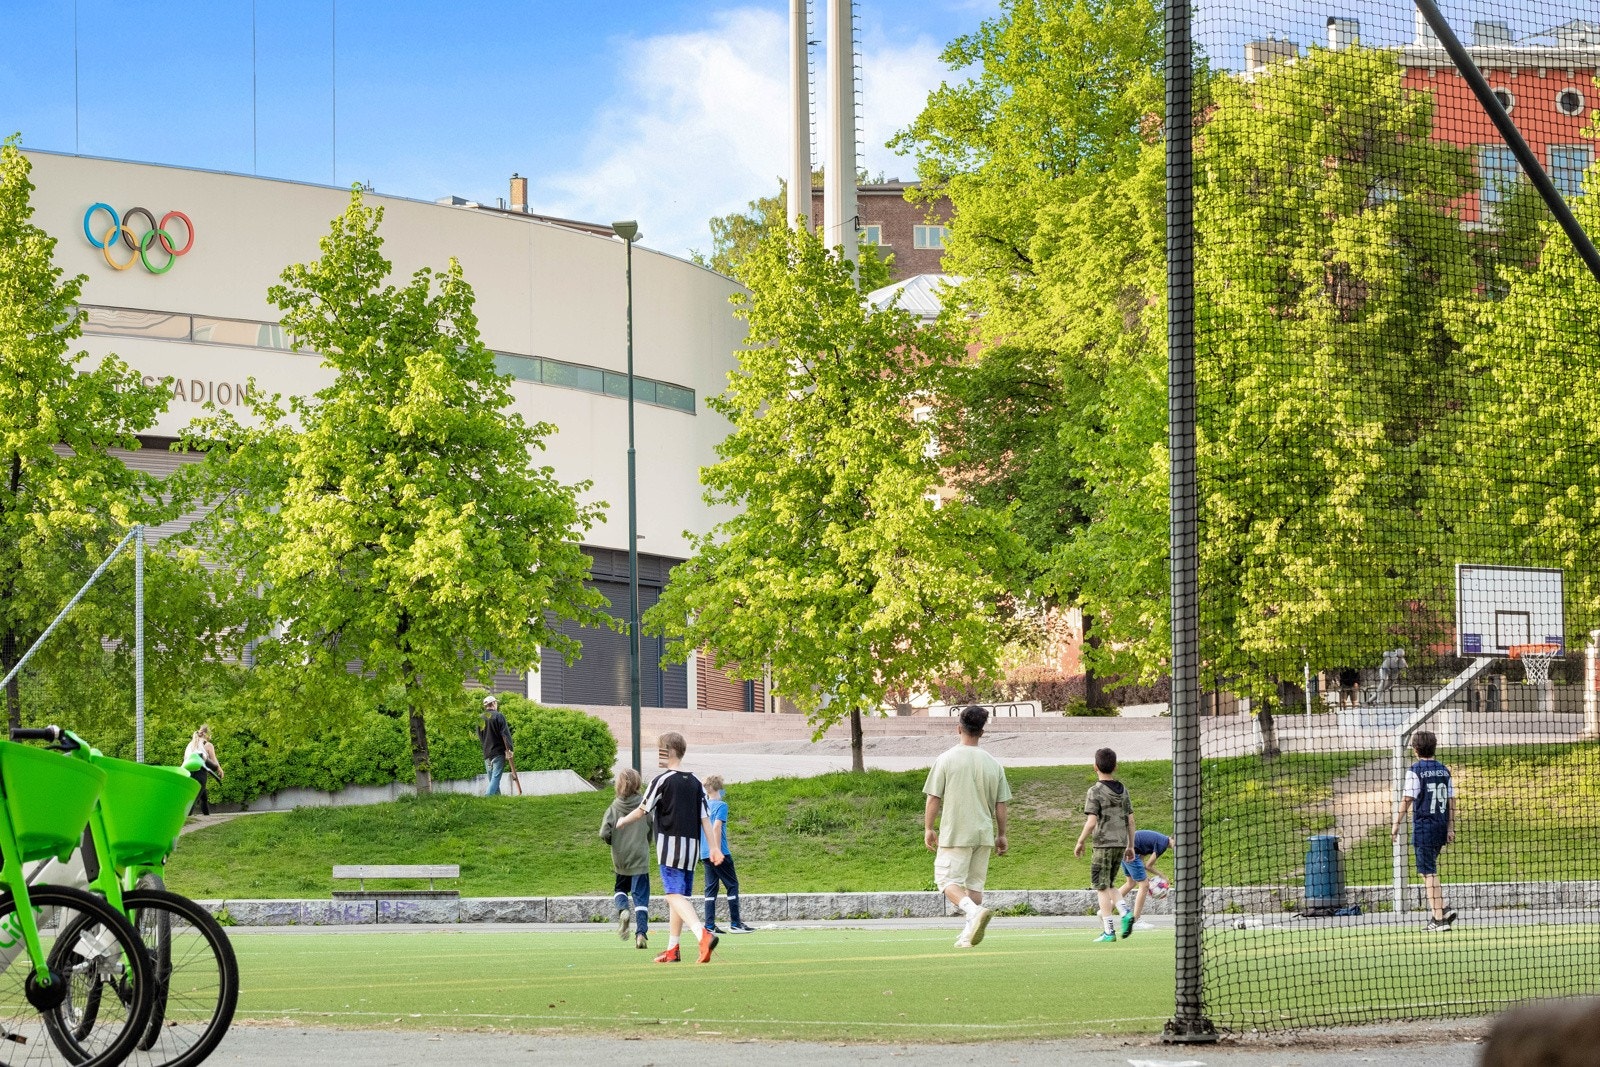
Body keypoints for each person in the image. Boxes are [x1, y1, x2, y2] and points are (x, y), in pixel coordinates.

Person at [614, 732, 724, 964]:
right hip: (691, 850)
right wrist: (714, 848)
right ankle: (672, 949)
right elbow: (705, 818)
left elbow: (643, 809)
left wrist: (623, 821)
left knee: (673, 895)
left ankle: (702, 935)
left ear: (668, 751)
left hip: (670, 848)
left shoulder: (661, 780)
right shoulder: (696, 782)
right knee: (678, 897)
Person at [923, 705, 1012, 949]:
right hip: (983, 833)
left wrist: (929, 828)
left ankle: (973, 913)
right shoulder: (994, 764)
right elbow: (1001, 803)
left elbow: (933, 797)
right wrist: (1002, 834)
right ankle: (967, 935)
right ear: (982, 732)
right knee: (974, 885)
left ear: (958, 727)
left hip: (956, 831)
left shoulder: (946, 759)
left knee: (945, 880)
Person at [1391, 728, 1456, 932]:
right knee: (1426, 869)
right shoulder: (1444, 770)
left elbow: (1407, 799)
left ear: (1415, 749)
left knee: (1428, 872)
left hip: (1424, 827)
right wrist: (1450, 827)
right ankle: (1442, 908)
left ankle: (1438, 920)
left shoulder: (1415, 770)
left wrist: (1395, 823)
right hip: (1440, 825)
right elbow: (1451, 800)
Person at [1075, 747, 1136, 942]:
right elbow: (1131, 820)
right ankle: (1125, 911)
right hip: (1120, 843)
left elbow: (1092, 821)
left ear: (1095, 767)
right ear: (1115, 767)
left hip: (1102, 844)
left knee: (1101, 887)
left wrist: (1080, 840)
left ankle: (1109, 931)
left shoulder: (1095, 791)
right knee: (1109, 884)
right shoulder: (1124, 790)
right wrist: (1131, 845)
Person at [599, 767, 653, 949]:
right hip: (640, 857)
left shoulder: (614, 808)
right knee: (641, 897)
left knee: (620, 888)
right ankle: (641, 934)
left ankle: (623, 909)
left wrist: (612, 841)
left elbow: (603, 832)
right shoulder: (644, 806)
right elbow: (650, 828)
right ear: (638, 784)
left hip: (621, 857)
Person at [699, 776, 754, 934]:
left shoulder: (703, 807)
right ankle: (735, 923)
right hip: (719, 852)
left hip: (704, 853)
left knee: (711, 889)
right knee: (732, 885)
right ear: (718, 788)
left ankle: (709, 925)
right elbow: (716, 827)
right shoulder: (721, 806)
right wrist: (715, 849)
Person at [1115, 829, 1173, 933]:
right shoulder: (1162, 844)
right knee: (1144, 886)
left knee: (1131, 883)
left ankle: (1105, 910)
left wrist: (1144, 876)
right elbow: (1148, 865)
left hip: (1124, 850)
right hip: (1129, 852)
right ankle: (1136, 921)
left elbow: (1141, 854)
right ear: (1173, 839)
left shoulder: (1160, 840)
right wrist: (1163, 877)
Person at [476, 695, 514, 796]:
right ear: (493, 704)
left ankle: (497, 799)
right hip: (498, 752)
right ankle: (487, 798)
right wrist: (509, 749)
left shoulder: (480, 718)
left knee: (492, 779)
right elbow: (505, 734)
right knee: (495, 778)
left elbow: (480, 736)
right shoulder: (499, 716)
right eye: (496, 703)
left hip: (487, 753)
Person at [184, 725, 224, 816]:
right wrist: (220, 770)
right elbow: (214, 761)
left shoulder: (191, 744)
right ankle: (185, 819)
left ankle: (206, 817)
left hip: (188, 772)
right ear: (207, 734)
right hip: (200, 773)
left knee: (203, 796)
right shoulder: (208, 745)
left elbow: (185, 759)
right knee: (194, 798)